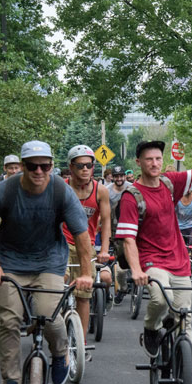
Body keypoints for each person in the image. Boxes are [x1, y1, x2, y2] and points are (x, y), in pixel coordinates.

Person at [0, 140, 93, 384]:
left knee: (49, 316)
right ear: (23, 166)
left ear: (52, 166)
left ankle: (60, 353)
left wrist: (86, 272)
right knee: (9, 321)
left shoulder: (60, 191)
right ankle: (11, 382)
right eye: (32, 166)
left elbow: (81, 233)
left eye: (45, 166)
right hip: (11, 262)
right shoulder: (4, 191)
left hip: (49, 261)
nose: (39, 171)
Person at [116, 138, 192, 357]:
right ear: (139, 162)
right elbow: (128, 239)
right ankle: (151, 328)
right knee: (161, 299)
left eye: (157, 159)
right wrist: (135, 270)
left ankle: (186, 373)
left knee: (184, 317)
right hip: (151, 260)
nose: (154, 163)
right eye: (149, 160)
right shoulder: (131, 196)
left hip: (179, 260)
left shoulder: (170, 183)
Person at [62, 145, 113, 343]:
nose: (85, 169)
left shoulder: (100, 191)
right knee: (60, 283)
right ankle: (56, 326)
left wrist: (105, 250)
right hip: (63, 243)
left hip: (88, 246)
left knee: (84, 294)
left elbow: (106, 221)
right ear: (71, 167)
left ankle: (80, 343)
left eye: (89, 165)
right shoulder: (63, 188)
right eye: (80, 165)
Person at [108, 165, 131, 302]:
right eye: (116, 176)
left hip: (134, 228)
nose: (119, 179)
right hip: (116, 230)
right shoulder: (107, 191)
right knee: (121, 268)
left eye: (121, 176)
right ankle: (122, 288)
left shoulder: (132, 188)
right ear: (113, 177)